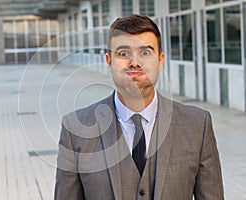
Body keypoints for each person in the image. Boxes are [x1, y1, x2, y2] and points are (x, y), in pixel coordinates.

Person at [55, 14, 224, 200]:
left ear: (160, 61)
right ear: (109, 62)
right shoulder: (75, 130)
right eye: (123, 53)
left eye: (145, 52)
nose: (134, 62)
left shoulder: (198, 125)